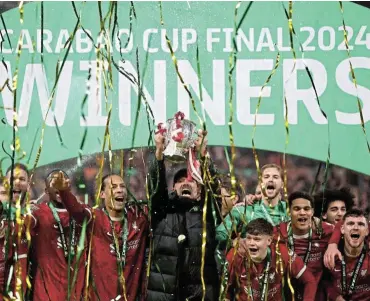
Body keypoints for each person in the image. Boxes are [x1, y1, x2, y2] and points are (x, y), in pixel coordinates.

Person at [146, 130, 221, 301]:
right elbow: (156, 187)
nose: (185, 183)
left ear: (200, 192)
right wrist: (159, 154)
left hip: (199, 295)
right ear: (173, 189)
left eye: (191, 180)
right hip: (163, 294)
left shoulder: (207, 212)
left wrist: (203, 156)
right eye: (180, 181)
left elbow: (214, 189)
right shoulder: (162, 211)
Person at [50, 171, 149, 301]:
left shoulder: (139, 218)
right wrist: (64, 191)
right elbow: (77, 211)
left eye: (122, 186)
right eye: (113, 187)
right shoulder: (95, 219)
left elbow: (159, 201)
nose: (120, 190)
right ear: (102, 194)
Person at [28, 170, 86, 300]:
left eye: (63, 181)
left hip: (76, 293)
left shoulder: (82, 211)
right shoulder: (38, 212)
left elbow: (79, 214)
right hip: (47, 294)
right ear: (46, 190)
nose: (59, 185)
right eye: (54, 182)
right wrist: (22, 209)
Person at [226, 218, 316, 301]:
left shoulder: (282, 253)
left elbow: (310, 280)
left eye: (257, 239)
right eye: (249, 238)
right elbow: (226, 291)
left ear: (269, 240)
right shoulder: (235, 255)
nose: (251, 243)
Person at [275, 191, 334, 300]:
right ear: (289, 212)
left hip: (316, 295)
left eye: (306, 209)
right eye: (297, 209)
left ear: (312, 212)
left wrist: (333, 245)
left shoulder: (325, 230)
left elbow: (345, 226)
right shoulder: (278, 233)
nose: (302, 212)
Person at [216, 164, 288, 247]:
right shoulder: (243, 210)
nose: (270, 179)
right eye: (266, 177)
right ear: (261, 183)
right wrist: (233, 243)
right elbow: (219, 235)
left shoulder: (290, 212)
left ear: (282, 184)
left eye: (275, 177)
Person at [0, 163, 31, 299]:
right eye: (12, 179)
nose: (17, 182)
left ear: (29, 185)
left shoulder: (37, 217)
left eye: (22, 179)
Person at [325, 209, 370, 300]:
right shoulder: (330, 255)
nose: (355, 227)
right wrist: (336, 297)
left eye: (361, 224)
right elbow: (324, 282)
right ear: (342, 229)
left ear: (367, 231)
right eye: (350, 224)